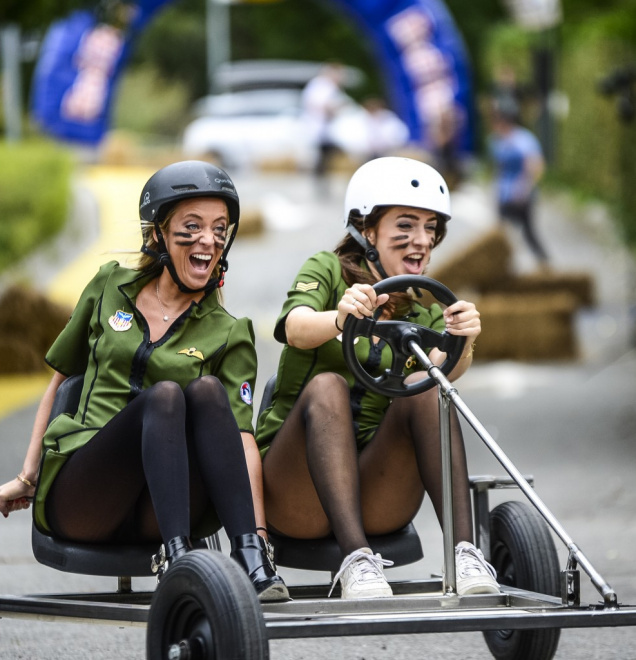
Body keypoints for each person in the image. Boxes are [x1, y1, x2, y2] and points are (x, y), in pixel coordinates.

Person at [0, 160, 288, 602]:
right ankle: (176, 559)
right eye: (192, 226)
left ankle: (249, 555)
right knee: (166, 396)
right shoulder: (108, 286)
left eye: (220, 228)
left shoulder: (230, 331)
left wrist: (261, 535)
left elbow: (242, 440)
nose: (208, 240)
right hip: (86, 493)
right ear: (157, 234)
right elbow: (60, 382)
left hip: (162, 503)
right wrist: (27, 476)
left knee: (207, 392)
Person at [256, 156, 499, 599]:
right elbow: (294, 327)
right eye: (405, 226)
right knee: (327, 384)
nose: (421, 241)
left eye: (431, 229)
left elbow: (447, 370)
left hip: (374, 490)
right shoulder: (327, 270)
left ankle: (466, 552)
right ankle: (356, 561)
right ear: (367, 230)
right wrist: (339, 317)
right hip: (297, 491)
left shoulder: (423, 306)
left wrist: (463, 339)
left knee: (426, 389)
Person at [488, 97, 549, 267]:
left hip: (522, 196)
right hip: (504, 196)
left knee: (528, 234)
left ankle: (544, 264)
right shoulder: (496, 141)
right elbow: (499, 168)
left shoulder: (523, 139)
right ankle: (503, 270)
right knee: (500, 236)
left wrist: (524, 187)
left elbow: (536, 165)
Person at [301, 62, 348, 189]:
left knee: (324, 157)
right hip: (321, 128)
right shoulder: (324, 86)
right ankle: (321, 183)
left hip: (322, 128)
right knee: (327, 156)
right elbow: (324, 105)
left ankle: (321, 183)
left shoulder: (319, 85)